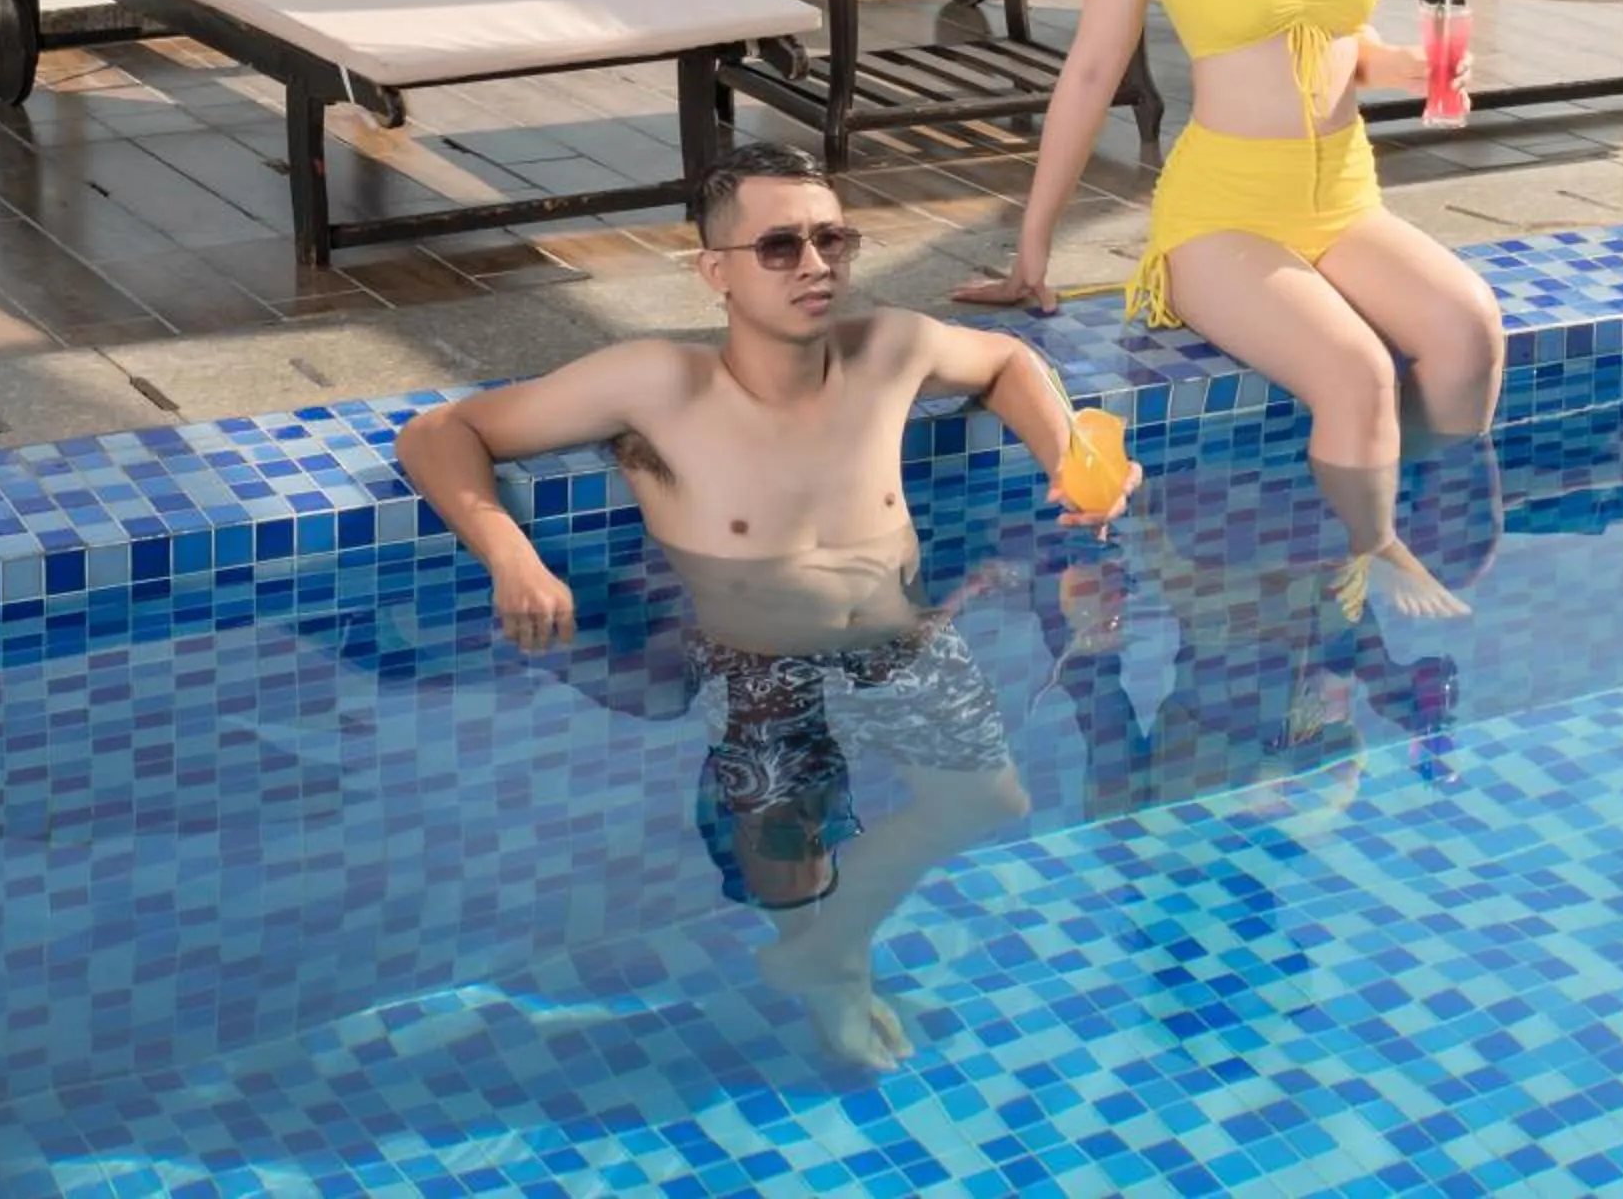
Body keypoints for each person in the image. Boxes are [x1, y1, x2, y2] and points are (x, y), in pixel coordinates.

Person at [396, 141, 1138, 1073]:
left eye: (833, 239)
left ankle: (820, 953)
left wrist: (1069, 457)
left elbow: (1007, 361)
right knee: (784, 847)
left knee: (986, 799)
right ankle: (833, 974)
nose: (817, 264)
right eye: (780, 247)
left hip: (899, 647)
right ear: (717, 272)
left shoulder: (891, 351)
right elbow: (440, 432)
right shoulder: (658, 386)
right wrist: (512, 554)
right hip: (755, 660)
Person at [956, 0, 1503, 620]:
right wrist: (1032, 243)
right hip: (1223, 218)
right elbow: (1090, 73)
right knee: (1355, 372)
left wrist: (1431, 71)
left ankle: (1403, 499)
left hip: (1341, 197)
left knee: (1468, 332)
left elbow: (1349, 48)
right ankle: (1369, 554)